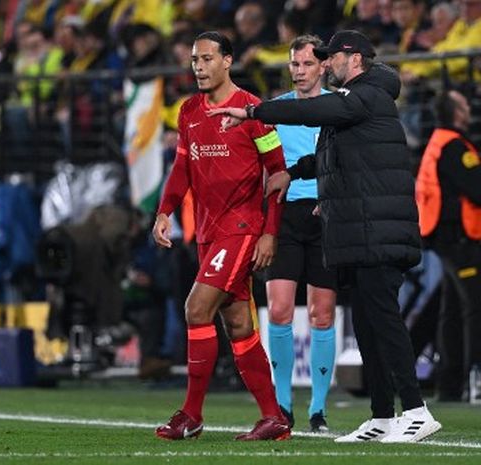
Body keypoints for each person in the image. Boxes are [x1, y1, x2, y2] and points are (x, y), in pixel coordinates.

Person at [209, 29, 441, 443]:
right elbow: (328, 159)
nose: (327, 64)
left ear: (354, 59)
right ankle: (383, 415)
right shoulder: (358, 102)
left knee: (384, 321)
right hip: (363, 229)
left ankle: (417, 410)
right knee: (368, 325)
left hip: (379, 230)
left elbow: (314, 112)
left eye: (330, 58)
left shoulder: (366, 96)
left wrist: (255, 112)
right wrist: (292, 174)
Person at [151, 31, 290, 441]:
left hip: (242, 229)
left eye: (208, 58)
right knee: (238, 326)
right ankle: (274, 418)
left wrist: (270, 233)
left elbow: (278, 175)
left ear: (227, 61)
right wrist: (164, 211)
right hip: (209, 233)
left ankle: (191, 414)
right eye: (195, 59)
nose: (199, 66)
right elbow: (181, 169)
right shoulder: (189, 110)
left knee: (197, 309)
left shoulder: (252, 110)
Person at [263, 34, 337, 433]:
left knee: (322, 314)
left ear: (322, 66)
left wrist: (334, 197)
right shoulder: (274, 111)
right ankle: (282, 405)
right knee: (278, 309)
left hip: (326, 216)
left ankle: (318, 410)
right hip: (286, 215)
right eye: (295, 65)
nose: (300, 71)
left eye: (307, 64)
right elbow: (261, 165)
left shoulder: (339, 107)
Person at [415, 89, 481, 401]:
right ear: (458, 113)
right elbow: (480, 192)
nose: (469, 107)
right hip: (457, 239)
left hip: (443, 237)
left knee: (450, 310)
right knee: (475, 307)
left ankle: (450, 384)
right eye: (464, 103)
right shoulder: (454, 146)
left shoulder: (437, 143)